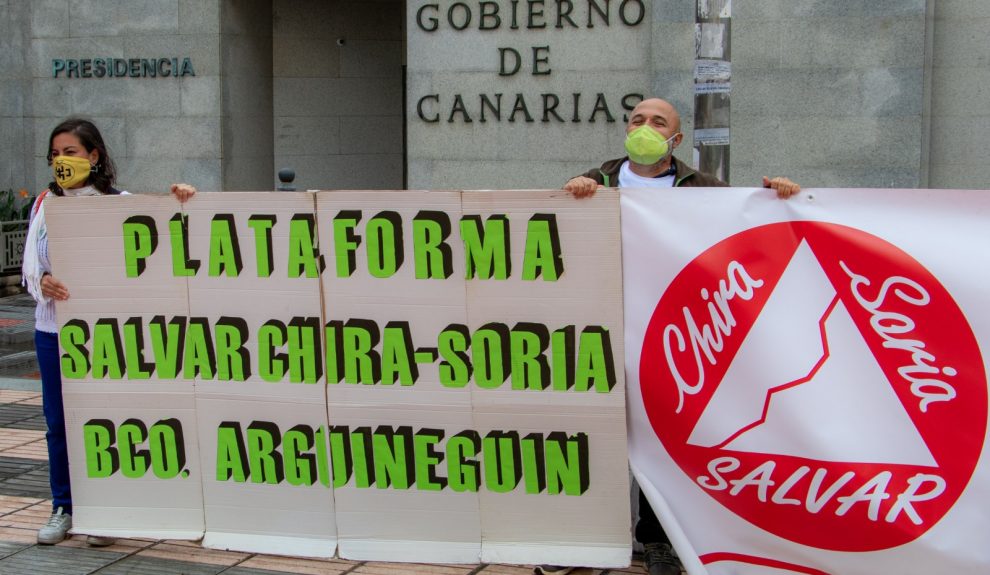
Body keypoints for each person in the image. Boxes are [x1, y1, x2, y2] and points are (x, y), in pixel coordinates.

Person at [552, 98, 800, 575]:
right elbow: (556, 236)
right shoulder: (595, 182)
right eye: (637, 120)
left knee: (659, 441)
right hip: (601, 323)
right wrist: (570, 196)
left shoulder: (703, 187)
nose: (644, 127)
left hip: (669, 332)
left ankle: (658, 541)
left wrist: (775, 197)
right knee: (595, 434)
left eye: (657, 122)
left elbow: (744, 230)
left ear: (676, 140)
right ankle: (581, 537)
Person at [22, 118, 196, 546]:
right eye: (55, 153)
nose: (62, 161)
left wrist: (181, 201)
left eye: (72, 152)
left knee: (111, 421)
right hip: (54, 333)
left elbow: (165, 242)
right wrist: (41, 282)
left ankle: (109, 510)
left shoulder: (122, 203)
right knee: (58, 424)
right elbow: (31, 265)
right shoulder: (44, 203)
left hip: (109, 338)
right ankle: (64, 506)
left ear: (94, 156)